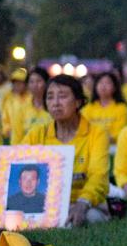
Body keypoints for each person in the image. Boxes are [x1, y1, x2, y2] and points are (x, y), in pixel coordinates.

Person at [22, 74, 111, 226]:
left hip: (85, 203)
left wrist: (83, 203)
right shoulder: (35, 135)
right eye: (50, 97)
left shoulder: (97, 134)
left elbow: (99, 176)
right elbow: (17, 167)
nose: (55, 103)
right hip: (44, 205)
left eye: (62, 96)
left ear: (78, 101)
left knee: (88, 218)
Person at [82, 71, 127, 142]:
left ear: (114, 88)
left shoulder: (122, 108)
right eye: (100, 83)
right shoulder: (88, 108)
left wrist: (101, 138)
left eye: (107, 83)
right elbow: (84, 130)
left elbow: (120, 132)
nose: (103, 86)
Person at [8, 67, 51, 144]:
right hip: (27, 153)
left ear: (47, 83)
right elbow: (16, 136)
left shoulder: (54, 107)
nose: (35, 85)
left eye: (39, 81)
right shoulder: (22, 108)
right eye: (31, 82)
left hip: (52, 152)